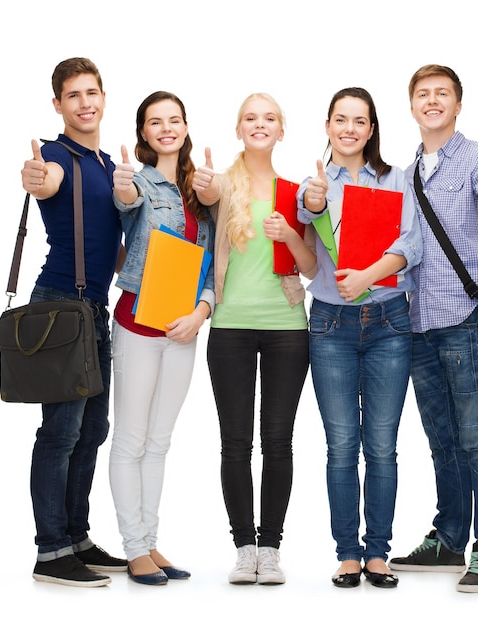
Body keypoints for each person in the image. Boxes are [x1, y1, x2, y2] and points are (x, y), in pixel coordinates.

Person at [388, 65, 478, 593]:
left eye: (442, 93)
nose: (432, 101)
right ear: (413, 106)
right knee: (441, 437)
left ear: (458, 104)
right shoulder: (408, 171)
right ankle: (448, 538)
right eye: (423, 94)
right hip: (417, 320)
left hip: (464, 318)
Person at [297, 87, 422, 589]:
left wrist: (369, 275)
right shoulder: (315, 184)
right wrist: (314, 202)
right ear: (328, 125)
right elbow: (305, 227)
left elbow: (410, 243)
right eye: (340, 119)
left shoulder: (397, 179)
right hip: (330, 324)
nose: (349, 129)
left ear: (371, 129)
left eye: (360, 121)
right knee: (341, 444)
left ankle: (377, 554)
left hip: (390, 322)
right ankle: (348, 553)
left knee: (383, 446)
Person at [192, 93, 316, 585]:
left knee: (278, 441)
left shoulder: (294, 191)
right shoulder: (222, 185)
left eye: (269, 119)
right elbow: (203, 193)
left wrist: (288, 235)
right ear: (239, 129)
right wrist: (202, 183)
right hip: (230, 328)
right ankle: (244, 547)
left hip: (287, 326)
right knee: (235, 442)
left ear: (281, 131)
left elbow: (309, 266)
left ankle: (271, 548)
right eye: (250, 118)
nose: (259, 125)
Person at [20, 57, 126, 587]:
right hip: (61, 305)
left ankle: (77, 537)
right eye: (74, 95)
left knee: (92, 429)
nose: (85, 102)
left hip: (94, 309)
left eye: (92, 92)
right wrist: (36, 178)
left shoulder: (108, 163)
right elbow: (45, 181)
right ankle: (50, 550)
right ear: (58, 105)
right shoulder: (57, 157)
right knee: (60, 431)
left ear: (104, 98)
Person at [109, 91, 215, 586]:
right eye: (156, 122)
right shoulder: (138, 181)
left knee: (160, 441)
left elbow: (214, 261)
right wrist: (126, 187)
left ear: (186, 126)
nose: (166, 128)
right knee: (130, 439)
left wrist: (202, 312)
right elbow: (125, 205)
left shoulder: (201, 189)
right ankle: (133, 548)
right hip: (137, 323)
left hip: (184, 328)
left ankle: (151, 543)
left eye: (174, 120)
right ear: (144, 133)